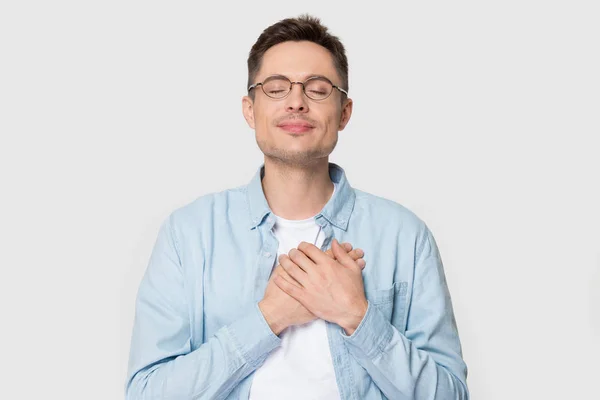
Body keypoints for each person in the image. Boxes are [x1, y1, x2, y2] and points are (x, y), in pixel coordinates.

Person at [126, 14, 469, 400]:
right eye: (275, 88)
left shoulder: (405, 236)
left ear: (344, 112)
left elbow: (451, 394)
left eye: (318, 89)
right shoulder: (188, 234)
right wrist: (270, 318)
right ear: (250, 110)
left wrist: (357, 316)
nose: (296, 102)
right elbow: (146, 392)